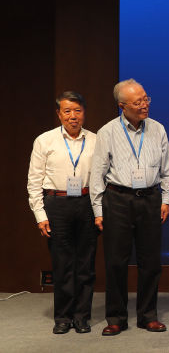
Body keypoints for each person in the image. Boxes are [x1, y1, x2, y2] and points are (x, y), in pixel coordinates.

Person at [90, 79, 169, 336]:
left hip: (150, 199)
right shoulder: (107, 132)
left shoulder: (158, 129)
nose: (145, 105)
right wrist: (98, 210)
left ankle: (148, 315)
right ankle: (116, 317)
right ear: (122, 106)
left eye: (146, 99)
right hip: (118, 200)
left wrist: (166, 199)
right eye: (138, 102)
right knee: (116, 261)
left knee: (151, 262)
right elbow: (97, 174)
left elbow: (167, 170)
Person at [27, 91, 98, 334]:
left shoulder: (95, 140)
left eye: (78, 111)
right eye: (67, 111)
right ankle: (63, 317)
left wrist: (100, 210)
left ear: (84, 113)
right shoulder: (44, 140)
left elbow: (101, 179)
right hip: (56, 204)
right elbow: (34, 181)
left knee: (86, 263)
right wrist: (40, 215)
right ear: (59, 114)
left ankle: (82, 316)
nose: (73, 116)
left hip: (87, 203)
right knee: (62, 263)